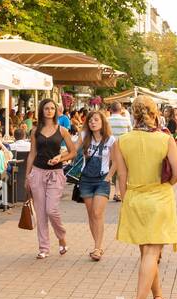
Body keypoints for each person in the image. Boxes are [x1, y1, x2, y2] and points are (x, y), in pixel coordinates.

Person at [113, 96, 177, 299]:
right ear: (154, 113)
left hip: (134, 197)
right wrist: (166, 185)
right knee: (153, 253)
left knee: (147, 254)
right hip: (159, 197)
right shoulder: (165, 139)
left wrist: (125, 199)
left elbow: (121, 176)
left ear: (133, 114)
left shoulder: (122, 141)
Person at [26, 98, 76, 260]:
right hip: (37, 173)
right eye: (46, 108)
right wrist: (28, 176)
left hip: (55, 174)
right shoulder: (35, 131)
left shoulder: (62, 130)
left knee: (51, 210)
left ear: (56, 111)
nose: (49, 111)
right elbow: (32, 153)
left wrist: (59, 159)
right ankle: (44, 248)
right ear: (42, 110)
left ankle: (61, 236)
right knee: (40, 213)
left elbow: (73, 152)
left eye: (52, 108)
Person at [74, 110, 116, 261]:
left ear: (102, 122)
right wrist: (61, 155)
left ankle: (97, 248)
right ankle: (96, 245)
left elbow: (116, 161)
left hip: (102, 180)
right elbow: (73, 150)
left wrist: (109, 177)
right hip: (86, 180)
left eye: (96, 120)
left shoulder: (110, 140)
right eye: (90, 120)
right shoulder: (85, 136)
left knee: (97, 213)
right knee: (91, 214)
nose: (92, 122)